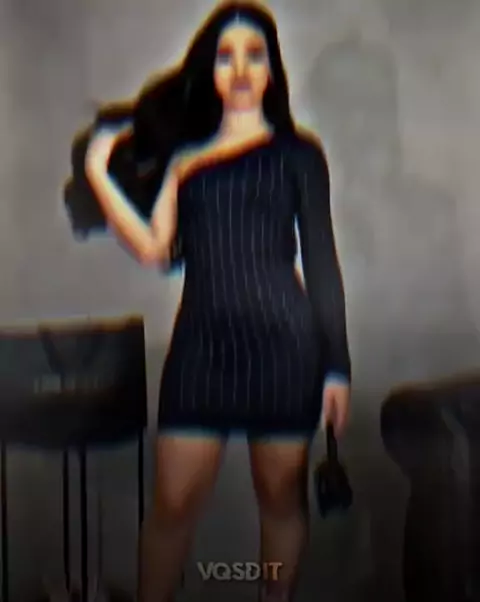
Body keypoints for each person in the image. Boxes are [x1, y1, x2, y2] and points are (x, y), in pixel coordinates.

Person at [81, 2, 351, 600]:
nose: (241, 69)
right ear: (210, 71)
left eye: (255, 55)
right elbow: (155, 251)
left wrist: (337, 367)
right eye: (226, 56)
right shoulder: (184, 162)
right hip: (200, 349)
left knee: (280, 500)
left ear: (272, 70)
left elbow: (322, 263)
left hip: (286, 348)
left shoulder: (300, 155)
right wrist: (99, 172)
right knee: (172, 506)